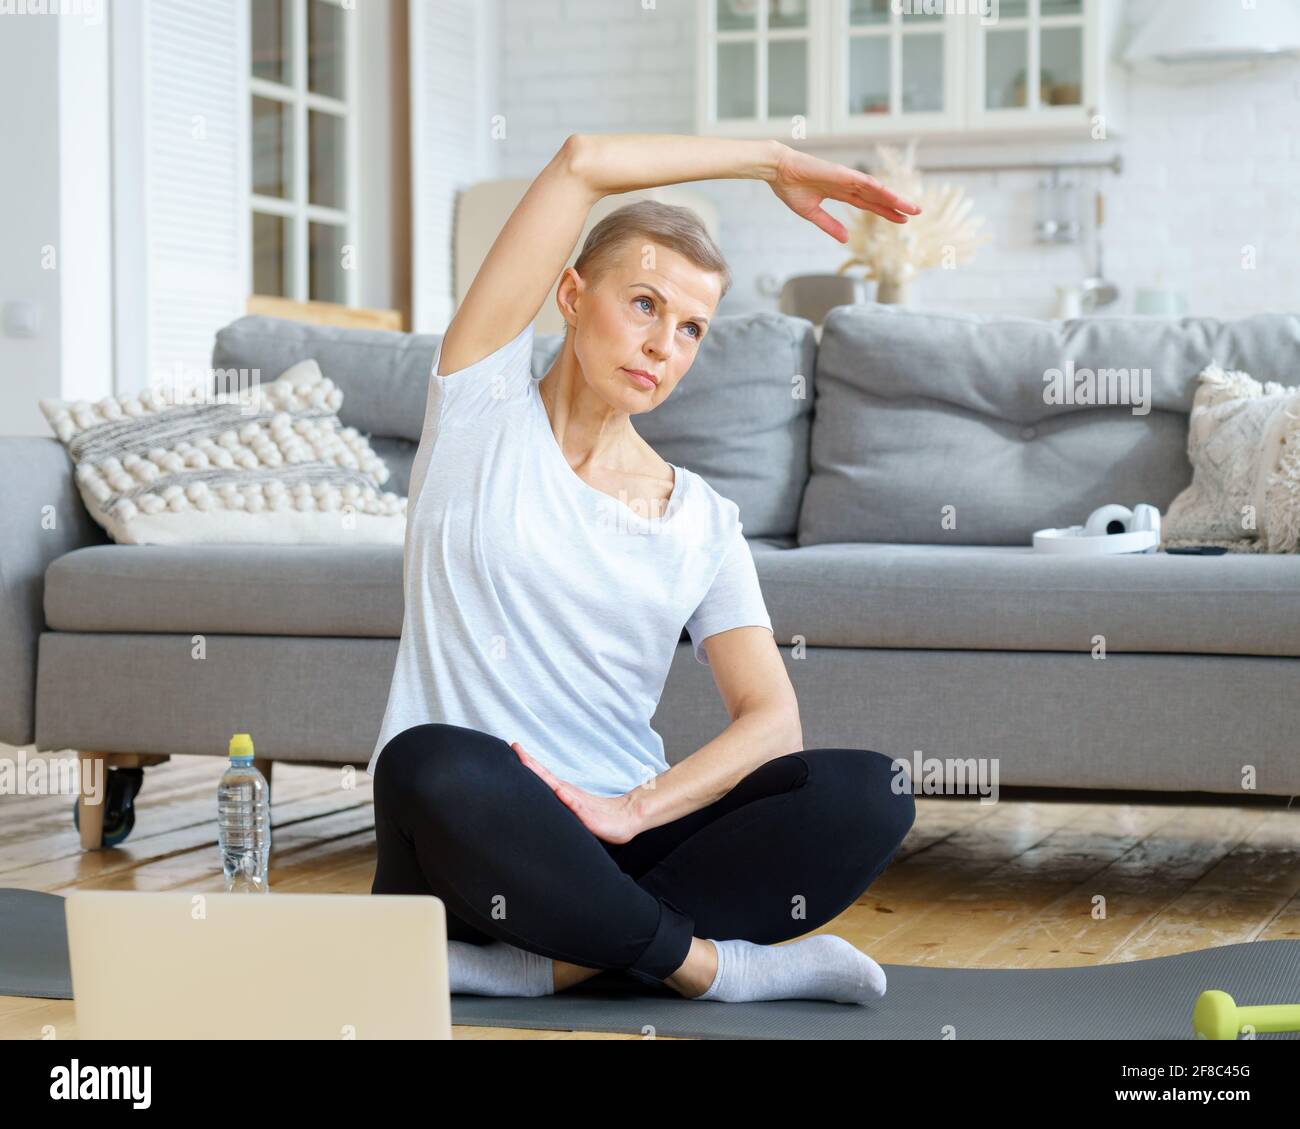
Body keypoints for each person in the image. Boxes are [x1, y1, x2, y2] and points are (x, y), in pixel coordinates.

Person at [368, 133, 922, 1005]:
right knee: (427, 761)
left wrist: (634, 808)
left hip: (616, 841)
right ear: (571, 293)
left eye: (691, 327)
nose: (665, 343)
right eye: (644, 304)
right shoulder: (479, 405)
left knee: (870, 789)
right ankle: (711, 967)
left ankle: (547, 966)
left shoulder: (699, 517)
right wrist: (768, 160)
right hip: (478, 848)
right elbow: (580, 162)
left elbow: (772, 720)